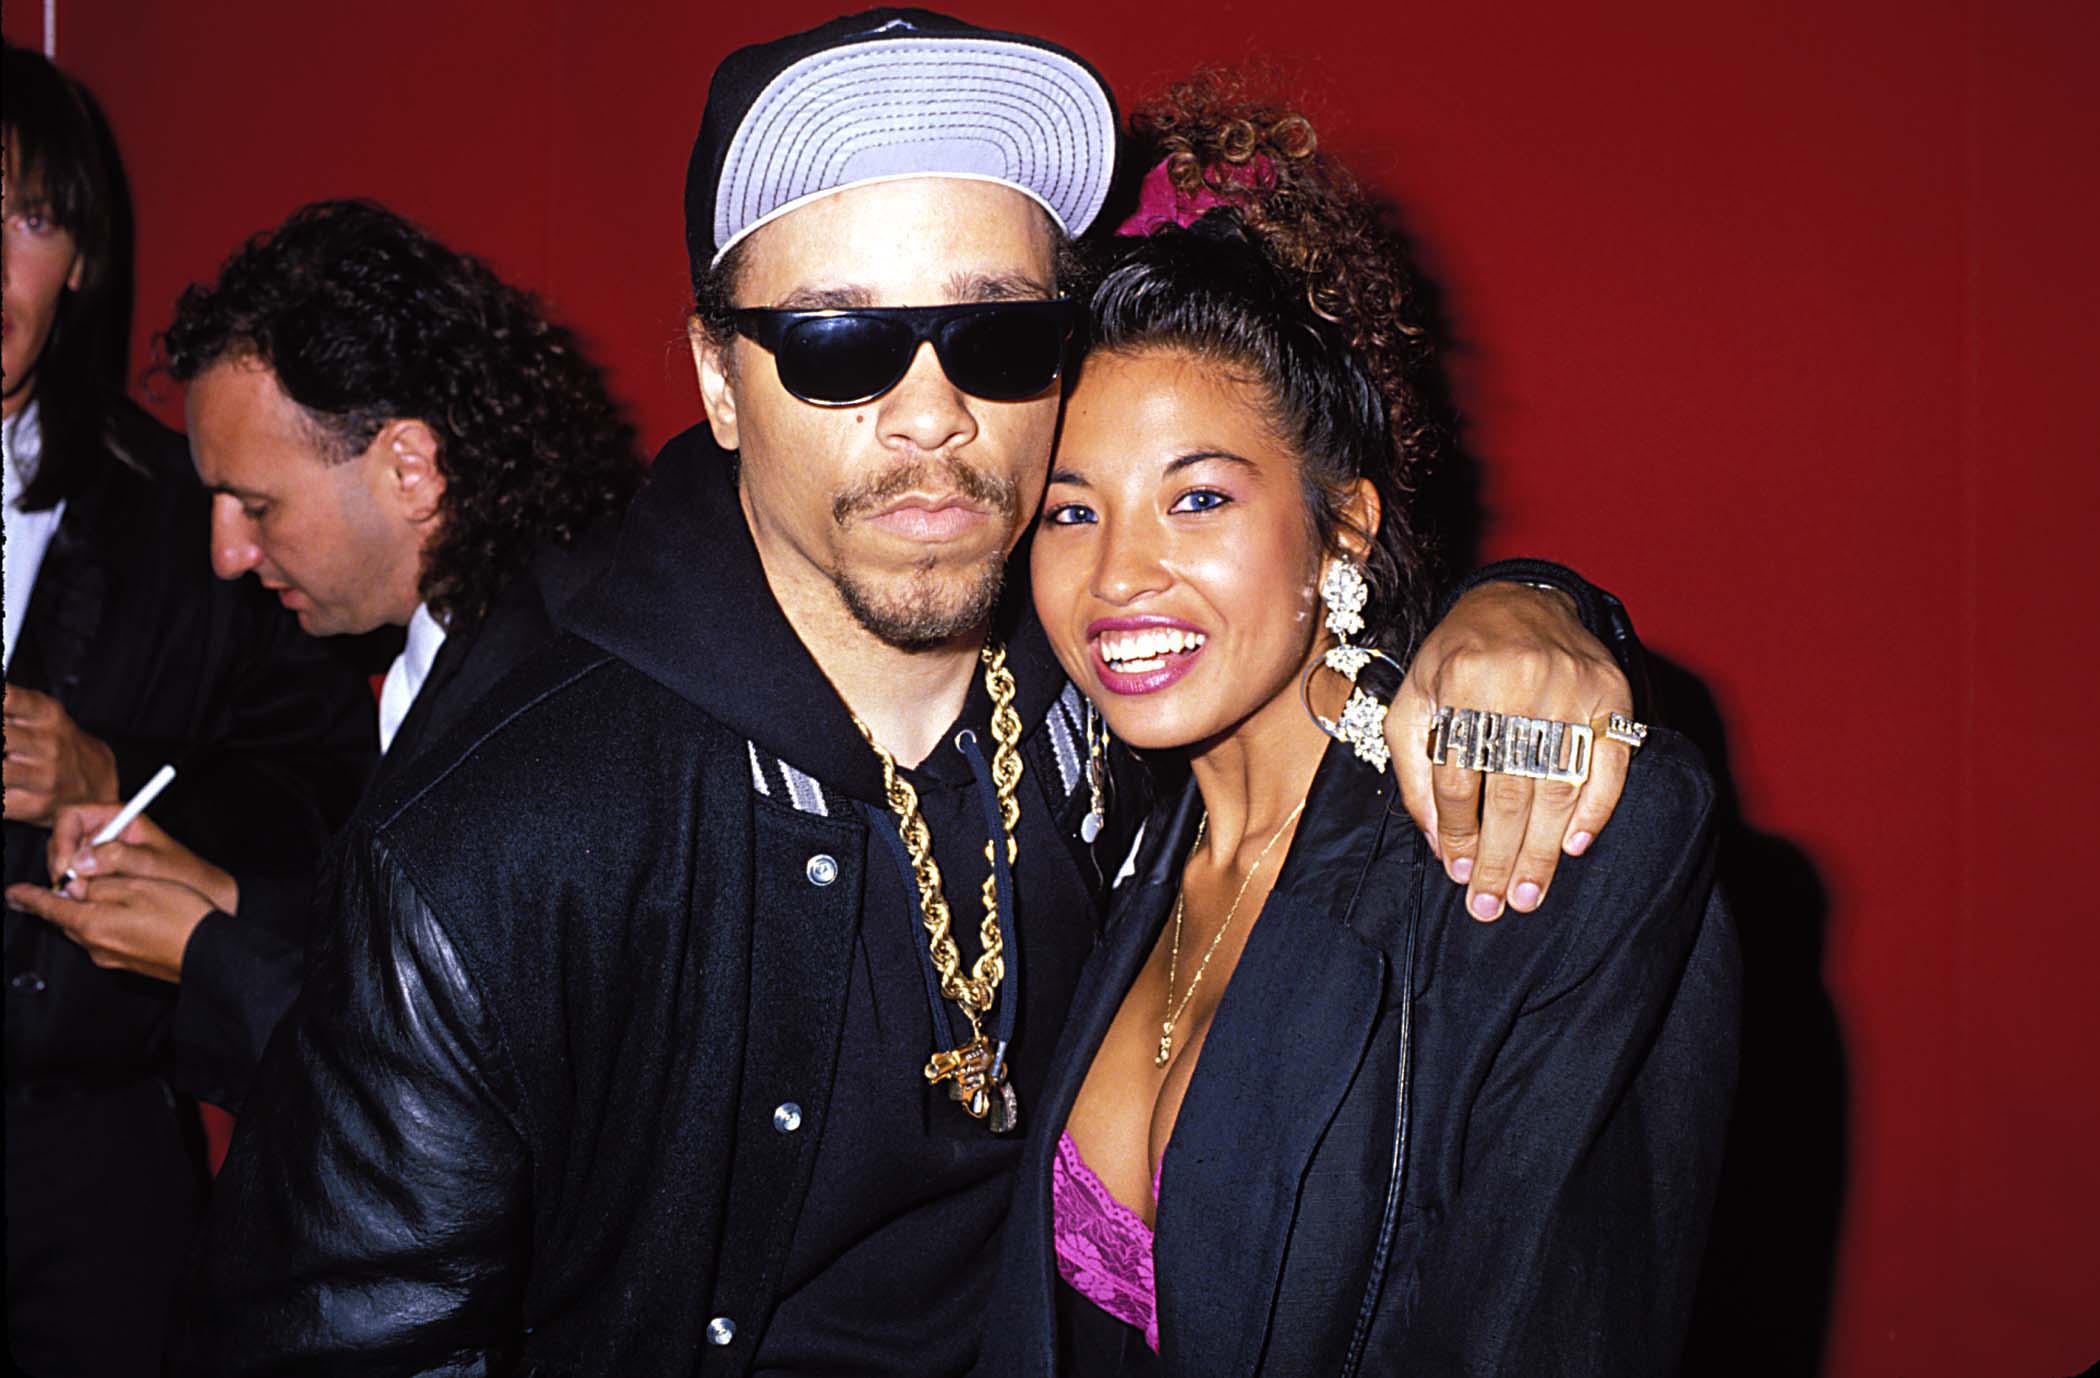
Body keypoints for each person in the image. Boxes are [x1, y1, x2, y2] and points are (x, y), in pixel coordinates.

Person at [169, 14, 1654, 1374]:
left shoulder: (1104, 676)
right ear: (720, 379)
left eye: (999, 333)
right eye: (838, 344)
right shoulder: (506, 830)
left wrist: (1535, 606)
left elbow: (1319, 595)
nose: (933, 413)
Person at [979, 85, 1740, 1376]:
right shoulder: (1101, 843)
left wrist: (1552, 611)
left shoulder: (1517, 843)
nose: (1120, 576)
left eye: (1199, 496)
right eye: (1070, 511)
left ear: (1343, 528)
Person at [6, 198, 647, 1112]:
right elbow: (413, 969)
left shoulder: (548, 689)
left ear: (410, 470)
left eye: (256, 506)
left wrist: (208, 956)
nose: (226, 555)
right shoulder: (482, 631)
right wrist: (220, 898)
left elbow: (465, 1096)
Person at [1, 45, 375, 1377]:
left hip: (88, 1164)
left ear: (83, 259)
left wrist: (112, 764)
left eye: (29, 219)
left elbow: (334, 785)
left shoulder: (191, 510)